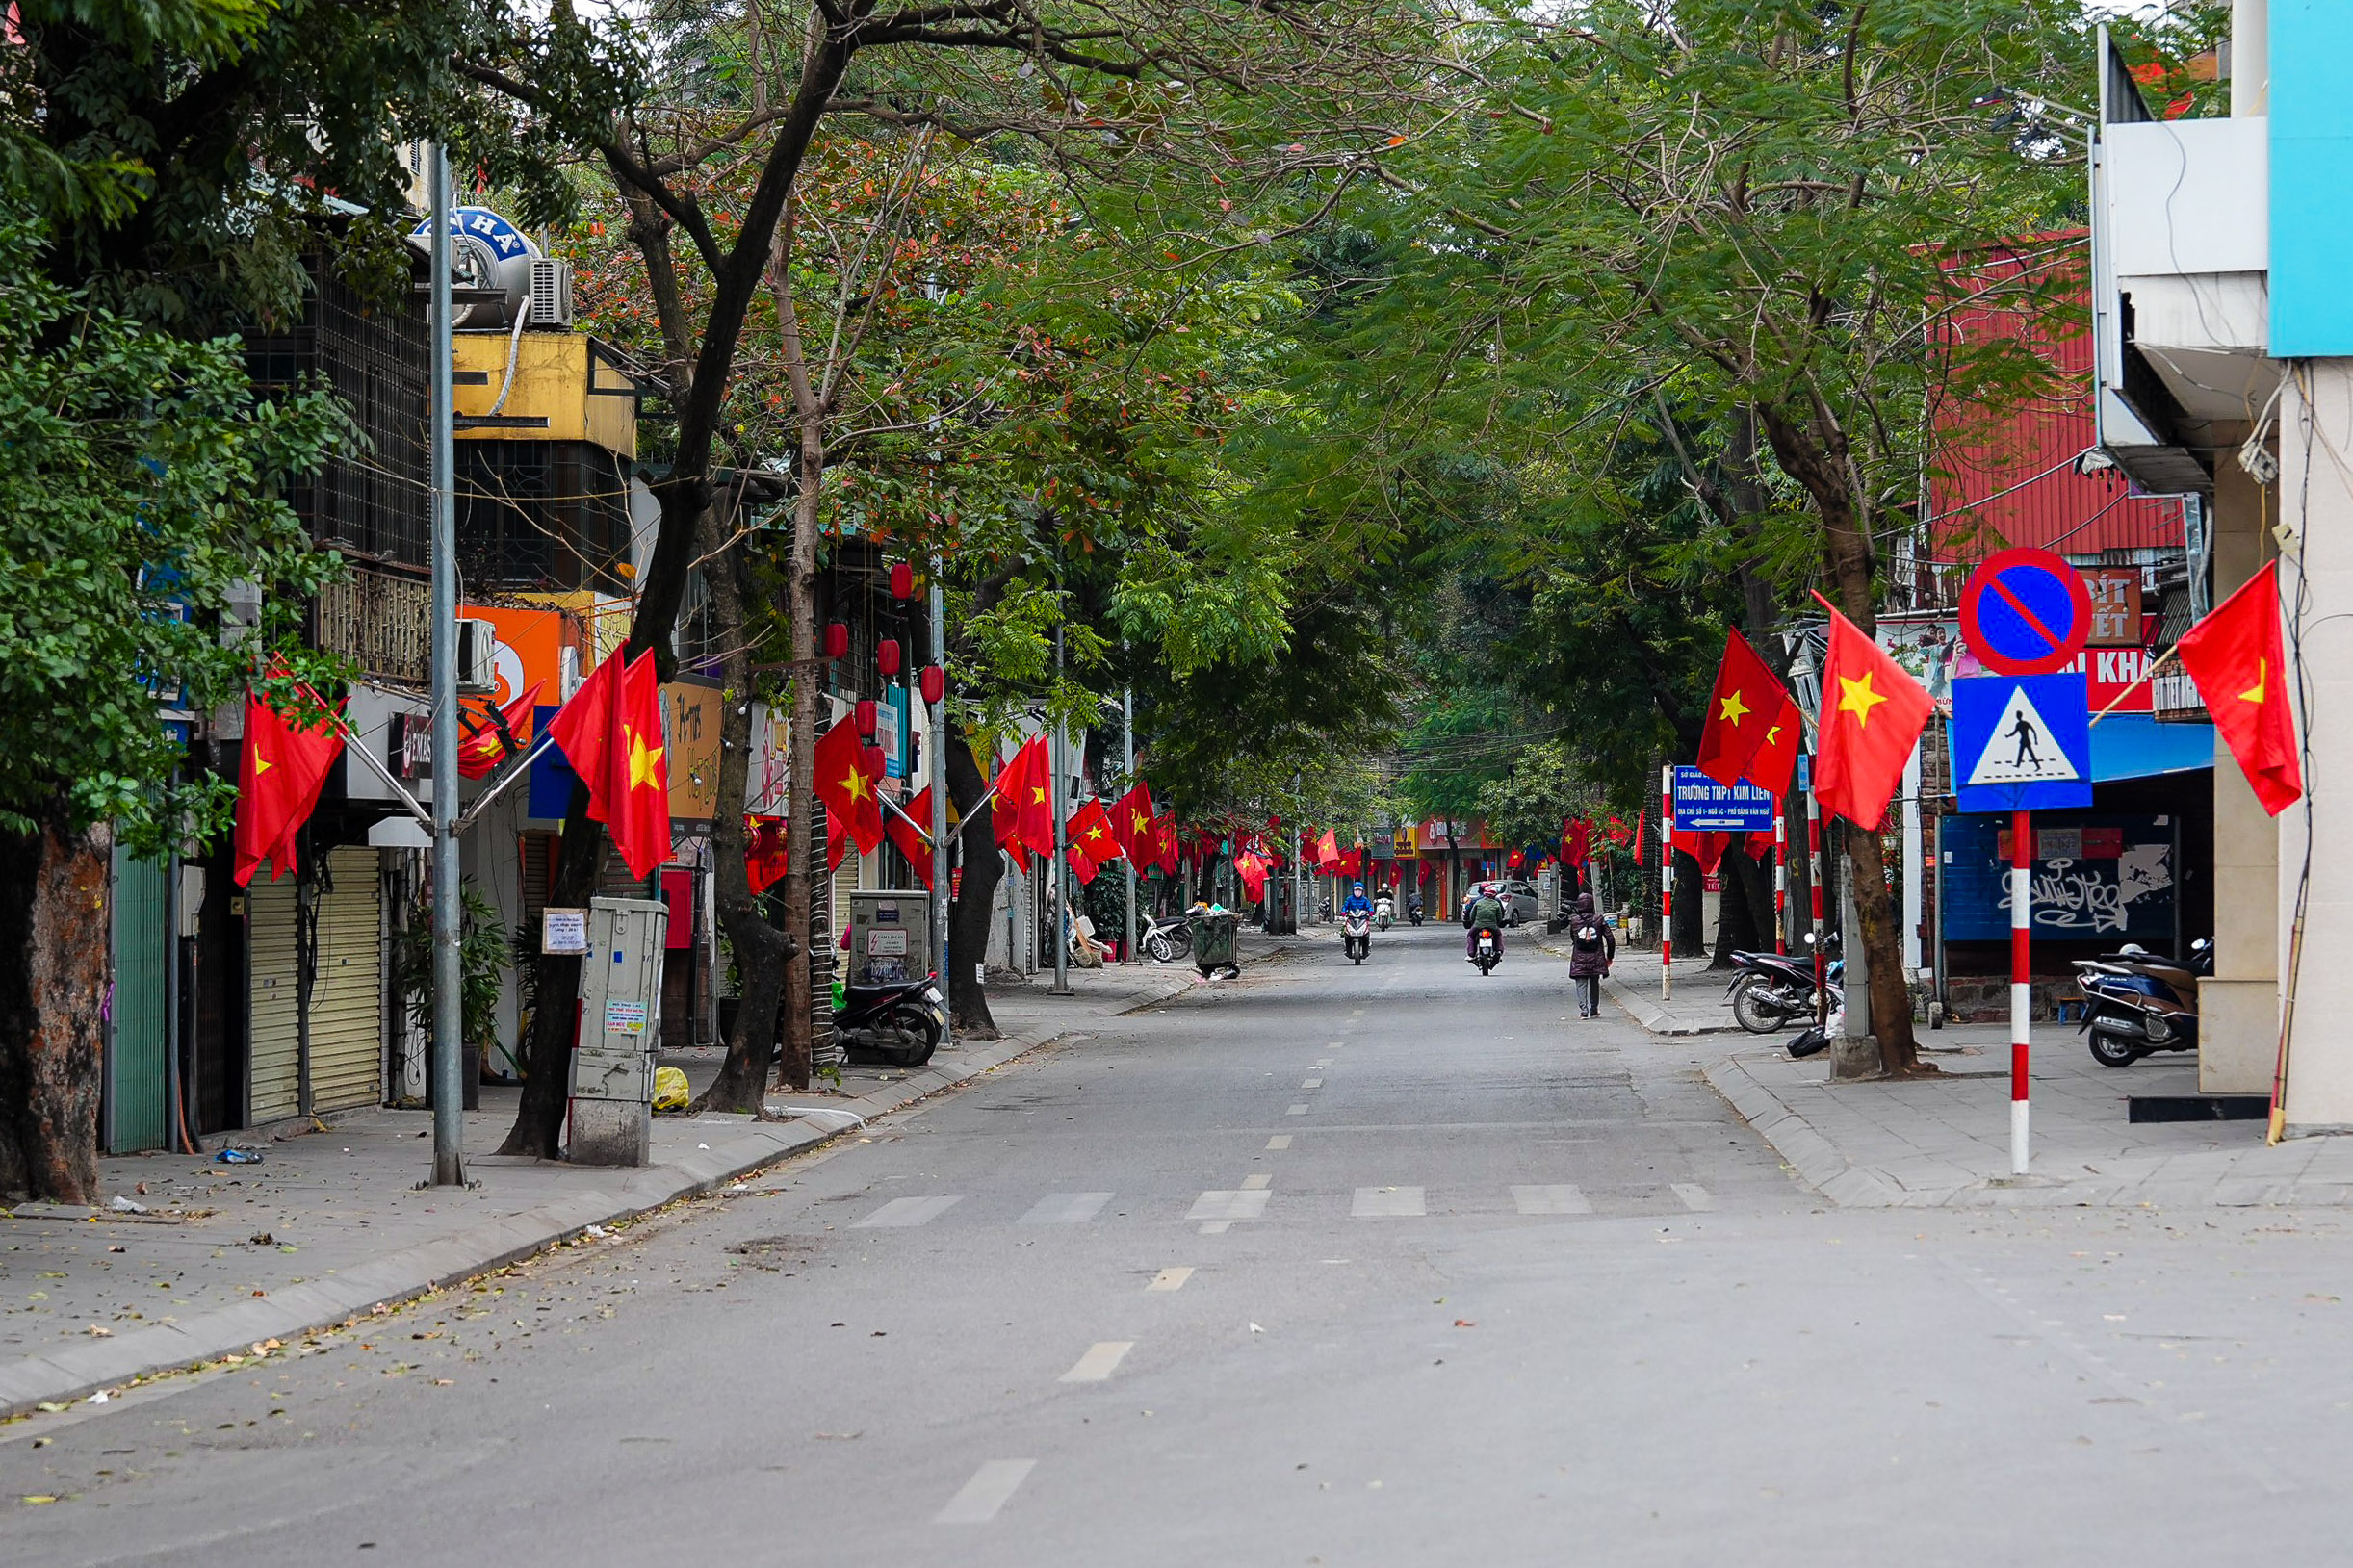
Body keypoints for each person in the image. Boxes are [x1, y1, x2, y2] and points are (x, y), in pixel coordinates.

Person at [1566, 892, 1615, 1017]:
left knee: (1581, 983)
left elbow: (1573, 938)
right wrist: (1610, 957)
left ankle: (1583, 1010)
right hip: (1596, 957)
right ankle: (1594, 1009)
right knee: (1594, 983)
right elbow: (1610, 938)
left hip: (1579, 957)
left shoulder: (1574, 921)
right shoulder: (1599, 919)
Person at [1465, 884, 1506, 962]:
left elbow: (1472, 915)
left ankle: (1471, 953)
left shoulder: (1478, 902)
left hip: (1478, 925)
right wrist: (1496, 924)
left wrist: (1474, 923)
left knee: (1471, 935)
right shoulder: (1496, 903)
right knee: (1498, 935)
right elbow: (1500, 917)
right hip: (1493, 926)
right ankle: (1499, 951)